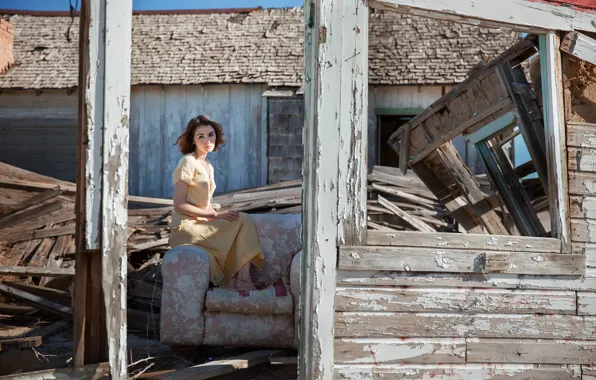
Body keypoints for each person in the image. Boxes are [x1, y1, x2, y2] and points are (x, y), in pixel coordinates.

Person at [169, 115, 264, 291]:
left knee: (238, 220)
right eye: (201, 136)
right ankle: (242, 281)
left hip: (201, 223)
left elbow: (203, 203)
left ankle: (235, 281)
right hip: (186, 228)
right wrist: (214, 215)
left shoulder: (208, 165)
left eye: (211, 135)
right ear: (193, 140)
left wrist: (220, 215)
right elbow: (179, 204)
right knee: (244, 220)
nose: (207, 140)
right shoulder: (187, 162)